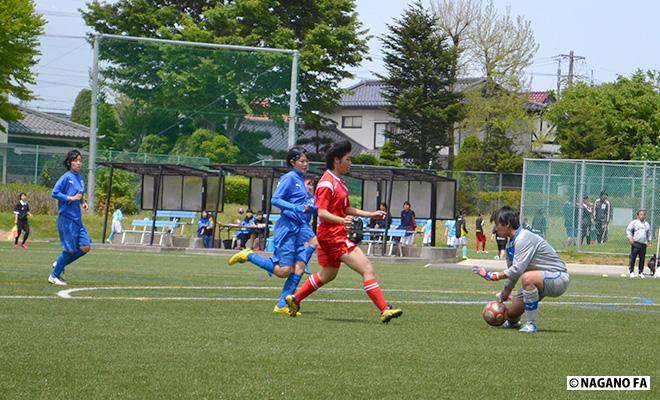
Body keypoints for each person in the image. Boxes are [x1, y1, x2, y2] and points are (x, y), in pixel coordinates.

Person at [285, 140, 402, 323]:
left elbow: (346, 209)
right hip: (332, 235)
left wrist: (371, 213)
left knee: (328, 275)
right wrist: (341, 220)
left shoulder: (341, 182)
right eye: (348, 159)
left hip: (332, 234)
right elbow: (322, 211)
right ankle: (384, 309)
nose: (350, 163)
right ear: (337, 160)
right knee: (367, 268)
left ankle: (295, 299)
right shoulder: (326, 183)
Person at [228, 147, 318, 315]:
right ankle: (248, 255)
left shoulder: (301, 180)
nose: (306, 164)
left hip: (298, 229)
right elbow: (275, 199)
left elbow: (306, 207)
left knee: (299, 267)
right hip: (287, 228)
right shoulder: (289, 178)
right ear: (293, 162)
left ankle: (282, 304)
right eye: (302, 161)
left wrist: (314, 208)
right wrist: (296, 207)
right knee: (283, 271)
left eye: (307, 161)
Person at [473, 206, 570, 333]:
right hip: (540, 279)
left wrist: (491, 276)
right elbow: (512, 273)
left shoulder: (523, 238)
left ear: (507, 224)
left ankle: (531, 324)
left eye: (498, 225)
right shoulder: (510, 244)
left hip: (558, 277)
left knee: (527, 277)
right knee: (511, 315)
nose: (496, 229)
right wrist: (505, 293)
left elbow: (518, 270)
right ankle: (514, 322)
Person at [49, 149, 92, 286]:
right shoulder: (66, 177)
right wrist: (70, 198)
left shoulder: (80, 178)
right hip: (66, 219)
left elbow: (80, 194)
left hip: (77, 219)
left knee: (85, 246)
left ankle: (60, 263)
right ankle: (54, 276)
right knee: (69, 249)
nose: (79, 163)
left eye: (80, 160)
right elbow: (54, 193)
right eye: (75, 160)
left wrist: (82, 202)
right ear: (69, 162)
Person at [626, 209, 652, 278]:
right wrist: (630, 238)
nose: (642, 216)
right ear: (638, 216)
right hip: (635, 243)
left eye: (643, 214)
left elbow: (649, 233)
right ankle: (631, 271)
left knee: (642, 258)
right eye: (640, 214)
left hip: (643, 244)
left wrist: (649, 241)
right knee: (633, 257)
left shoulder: (646, 224)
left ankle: (640, 272)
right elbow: (629, 230)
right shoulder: (634, 222)